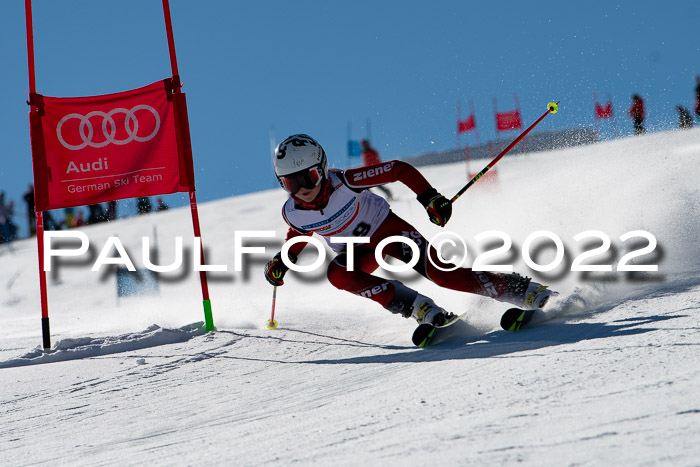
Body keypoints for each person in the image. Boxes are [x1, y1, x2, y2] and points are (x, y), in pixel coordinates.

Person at [263, 134, 553, 328]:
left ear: (323, 169)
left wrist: (430, 198)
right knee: (337, 274)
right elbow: (300, 233)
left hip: (390, 231)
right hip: (359, 253)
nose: (304, 190)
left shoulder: (347, 182)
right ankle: (418, 308)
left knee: (443, 275)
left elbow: (398, 170)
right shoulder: (293, 211)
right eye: (292, 184)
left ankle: (519, 289)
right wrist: (282, 261)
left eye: (309, 178)